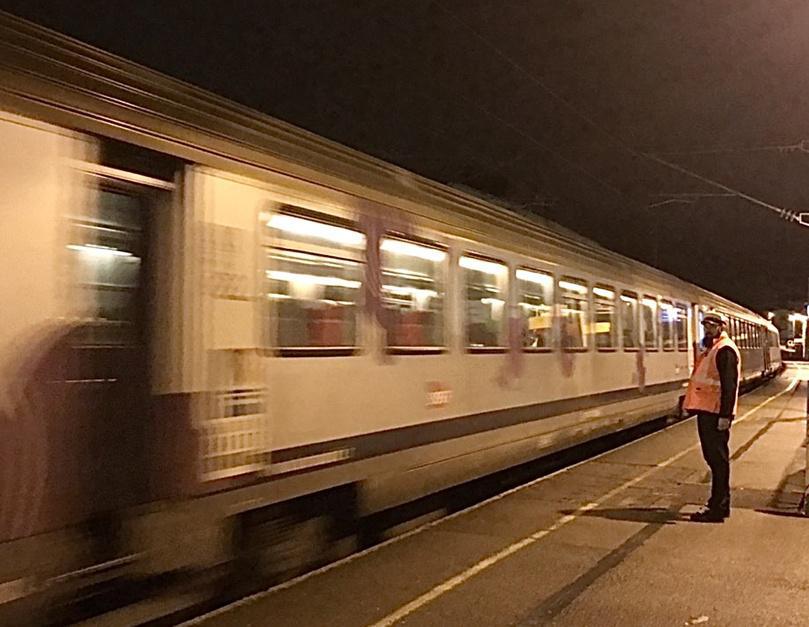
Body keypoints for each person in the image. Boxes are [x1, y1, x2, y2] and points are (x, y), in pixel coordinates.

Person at [683, 310, 740, 522]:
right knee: (715, 459)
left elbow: (729, 385)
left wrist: (725, 416)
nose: (707, 329)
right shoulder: (712, 349)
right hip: (708, 411)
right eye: (705, 325)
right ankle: (720, 504)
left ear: (721, 327)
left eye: (712, 325)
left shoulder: (725, 350)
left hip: (715, 413)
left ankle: (718, 507)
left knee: (717, 460)